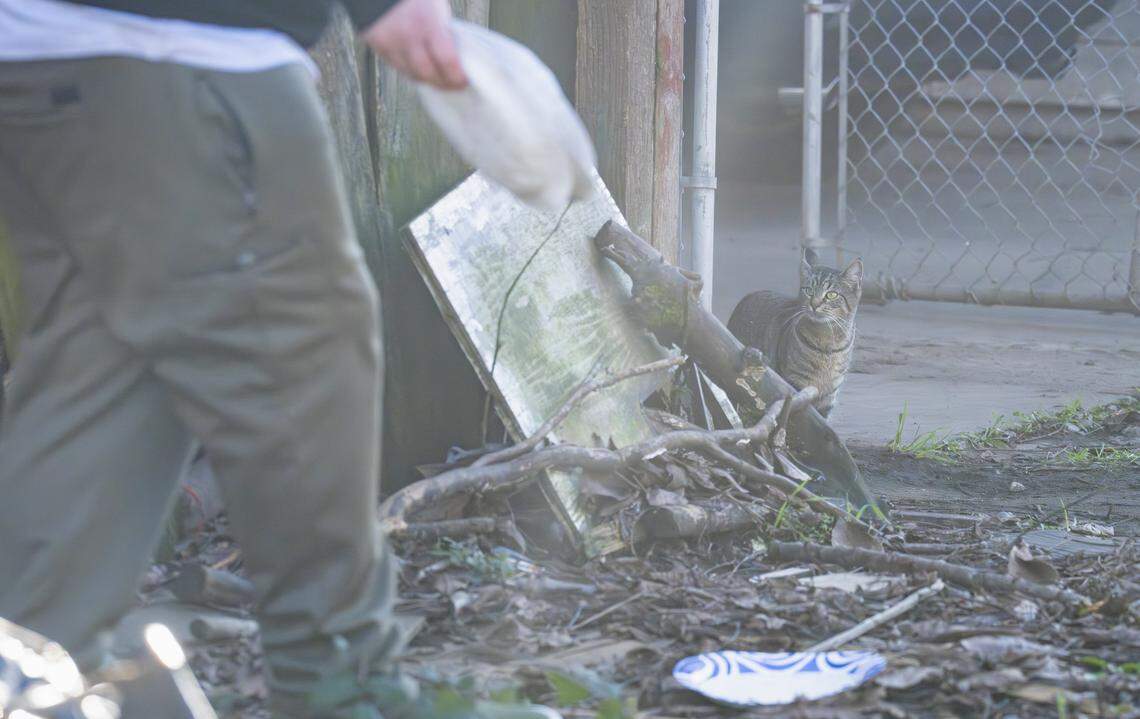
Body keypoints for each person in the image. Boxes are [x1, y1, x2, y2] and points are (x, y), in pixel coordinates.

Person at [0, 1, 517, 716]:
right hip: (185, 57)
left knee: (104, 381)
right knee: (301, 359)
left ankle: (24, 667)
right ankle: (345, 692)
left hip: (48, 59)